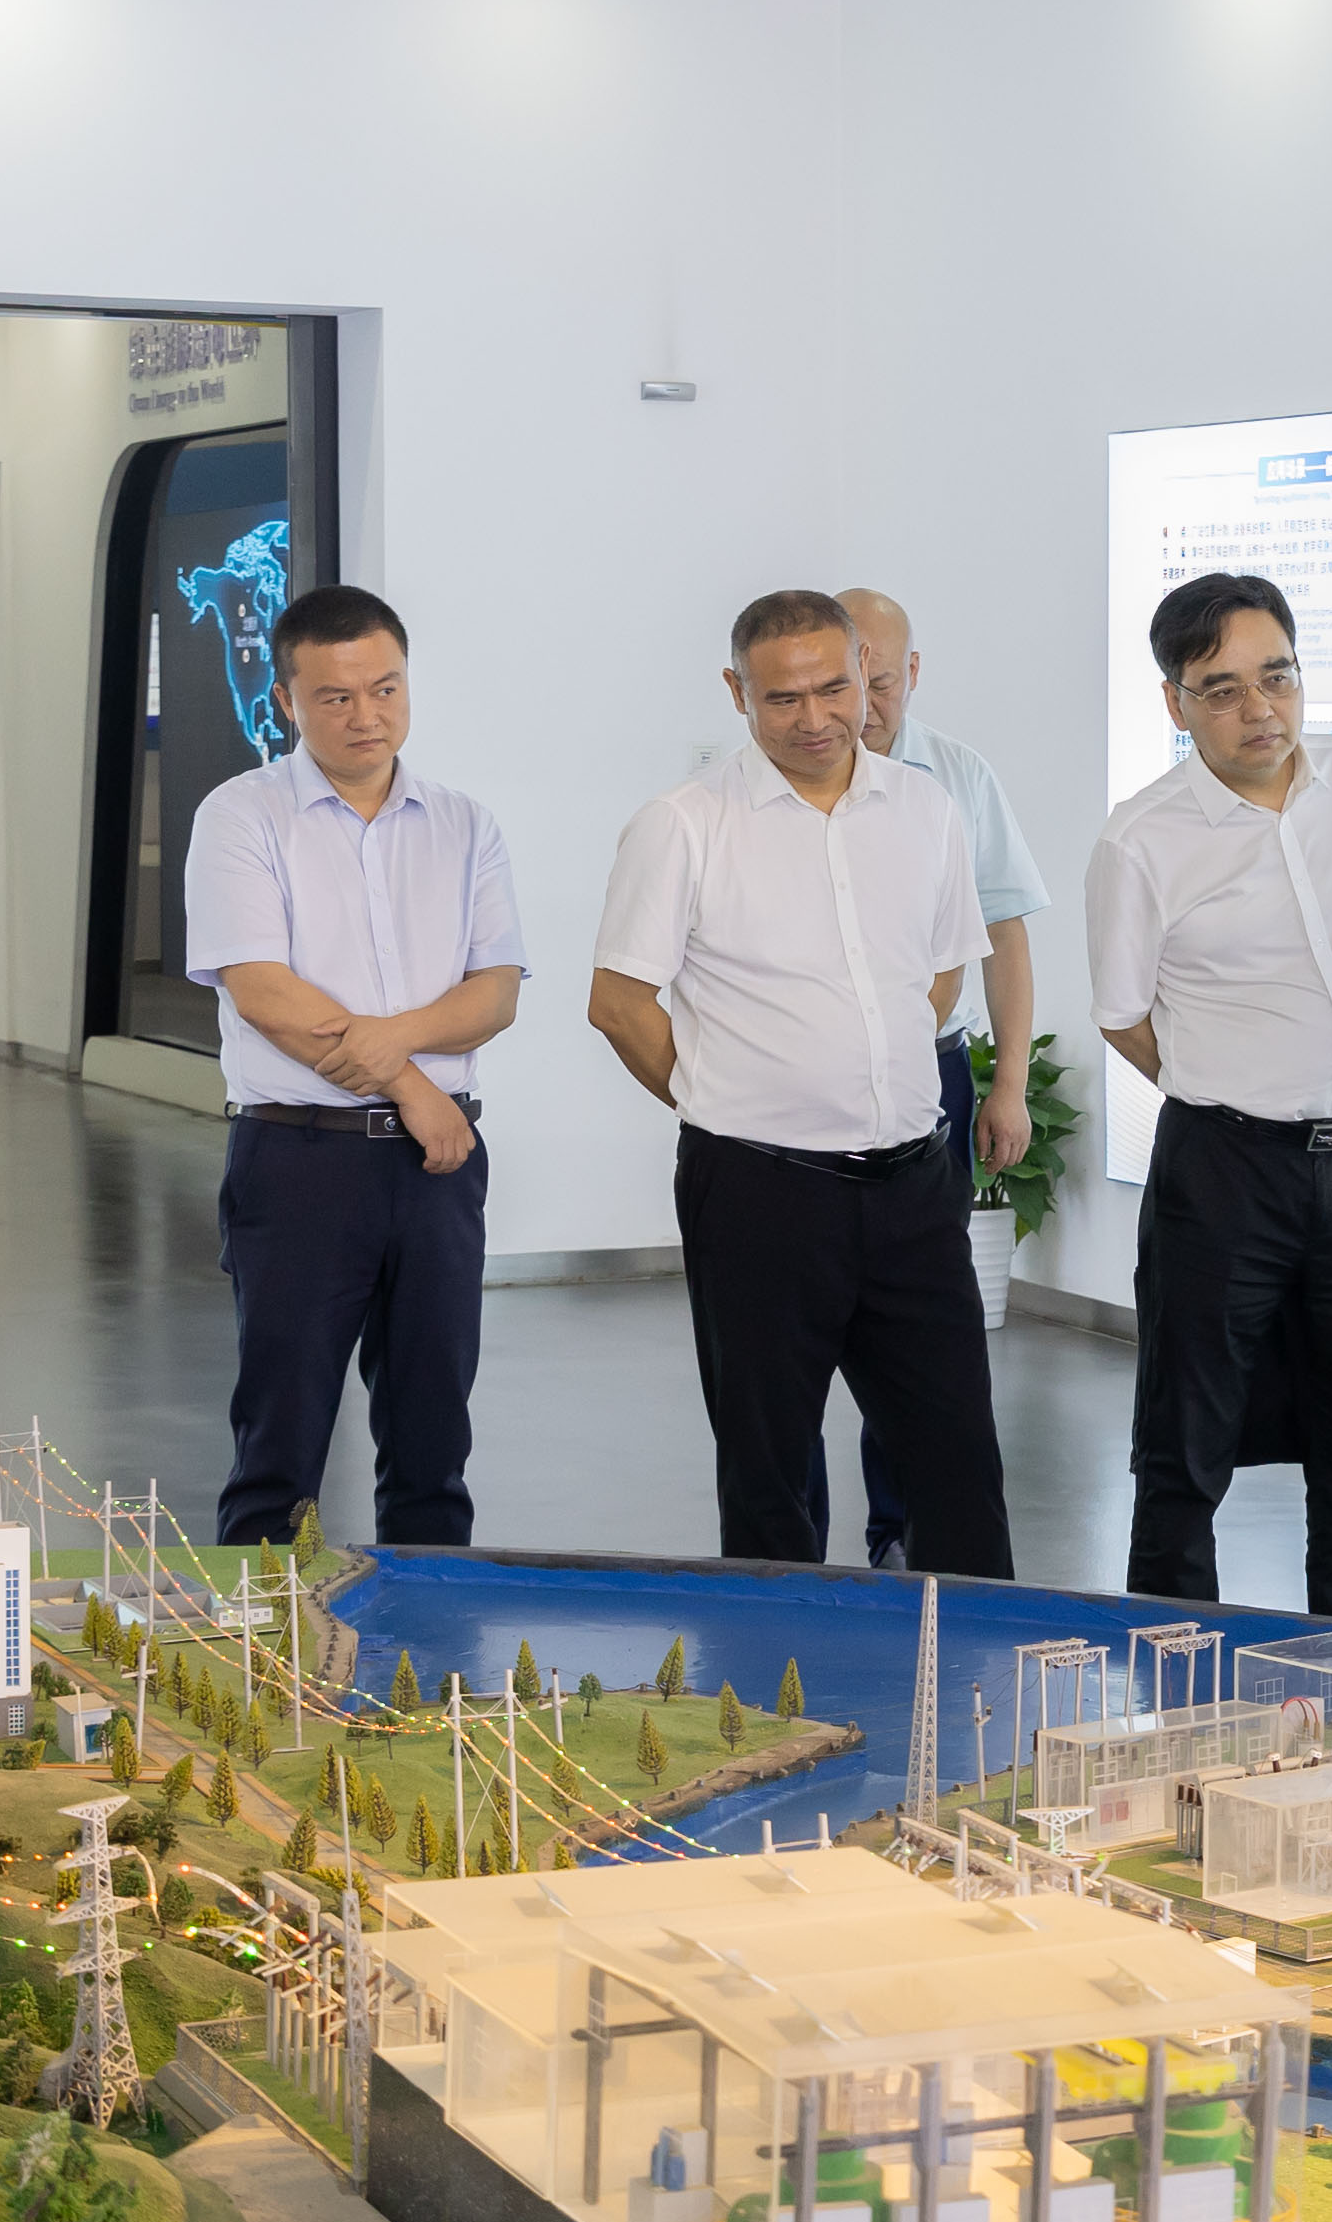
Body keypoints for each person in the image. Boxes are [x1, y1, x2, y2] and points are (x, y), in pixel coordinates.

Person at [590, 591, 1012, 1574]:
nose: (815, 718)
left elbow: (940, 974)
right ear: (737, 691)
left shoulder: (926, 809)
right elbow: (619, 1002)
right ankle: (780, 1667)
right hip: (759, 1192)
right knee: (769, 1470)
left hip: (914, 1187)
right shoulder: (684, 825)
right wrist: (726, 1096)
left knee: (959, 1459)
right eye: (783, 698)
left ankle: (978, 1656)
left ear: (866, 670)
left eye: (834, 688)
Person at [1089, 570, 1332, 1616]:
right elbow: (1122, 1015)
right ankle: (1173, 1667)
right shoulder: (1141, 839)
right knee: (1185, 1447)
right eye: (1222, 688)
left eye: (1276, 676)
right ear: (1175, 703)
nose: (1259, 709)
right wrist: (1230, 1090)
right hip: (1225, 1171)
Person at [181, 584, 526, 1548]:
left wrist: (395, 1041)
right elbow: (266, 994)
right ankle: (260, 1637)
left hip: (438, 1169)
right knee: (280, 1439)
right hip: (300, 1159)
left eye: (385, 688)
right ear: (286, 700)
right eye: (334, 697)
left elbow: (495, 994)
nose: (365, 715)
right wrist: (413, 1083)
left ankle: (430, 1633)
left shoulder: (465, 824)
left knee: (432, 1439)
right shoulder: (241, 816)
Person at [826, 584, 1050, 1569]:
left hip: (934, 1074)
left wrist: (1009, 1083)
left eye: (883, 680)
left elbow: (1005, 936)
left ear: (912, 672)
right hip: (807, 1087)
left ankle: (901, 1533)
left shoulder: (957, 777)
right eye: (850, 679)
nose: (865, 703)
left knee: (918, 1321)